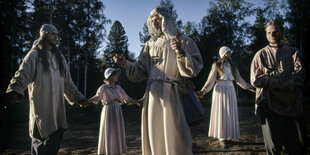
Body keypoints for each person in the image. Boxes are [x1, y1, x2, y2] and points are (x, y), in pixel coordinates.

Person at [112, 7, 203, 155]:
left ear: (166, 19)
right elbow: (140, 71)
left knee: (176, 133)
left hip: (173, 95)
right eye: (152, 19)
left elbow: (195, 68)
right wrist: (125, 63)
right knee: (155, 133)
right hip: (153, 97)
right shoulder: (150, 44)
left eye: (158, 18)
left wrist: (180, 52)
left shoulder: (184, 40)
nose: (154, 22)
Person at [0, 24, 88, 155]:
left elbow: (68, 83)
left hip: (57, 110)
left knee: (54, 145)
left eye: (57, 34)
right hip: (41, 109)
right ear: (44, 35)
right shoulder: (34, 55)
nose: (56, 37)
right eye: (53, 34)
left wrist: (79, 97)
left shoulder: (60, 58)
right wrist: (13, 92)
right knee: (39, 145)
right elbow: (23, 74)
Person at [250, 20, 307, 155]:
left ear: (282, 32)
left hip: (291, 104)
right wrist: (271, 81)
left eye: (275, 32)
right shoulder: (261, 54)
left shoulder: (293, 52)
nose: (272, 35)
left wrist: (290, 83)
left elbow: (301, 73)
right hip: (268, 103)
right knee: (274, 147)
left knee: (297, 145)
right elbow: (254, 79)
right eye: (269, 33)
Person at [197, 46, 255, 145]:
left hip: (230, 88)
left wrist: (249, 87)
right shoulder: (216, 65)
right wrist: (203, 91)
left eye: (230, 52)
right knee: (221, 112)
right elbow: (210, 80)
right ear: (223, 53)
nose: (230, 54)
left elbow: (239, 79)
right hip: (219, 89)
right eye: (228, 52)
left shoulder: (233, 65)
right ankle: (221, 137)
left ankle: (228, 136)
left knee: (229, 112)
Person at [88, 67, 140, 155]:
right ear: (110, 76)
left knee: (117, 130)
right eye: (115, 74)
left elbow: (126, 98)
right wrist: (88, 100)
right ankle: (108, 151)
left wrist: (137, 101)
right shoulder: (104, 87)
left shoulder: (118, 88)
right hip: (108, 111)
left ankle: (116, 151)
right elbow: (97, 97)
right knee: (109, 130)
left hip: (117, 111)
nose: (117, 76)